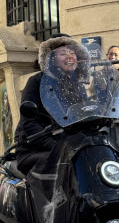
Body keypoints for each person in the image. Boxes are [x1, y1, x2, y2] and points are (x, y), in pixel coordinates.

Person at [15, 34, 90, 175]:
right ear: (51, 59)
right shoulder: (36, 82)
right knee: (63, 165)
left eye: (72, 52)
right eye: (63, 53)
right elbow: (29, 123)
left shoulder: (78, 86)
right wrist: (55, 145)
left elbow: (83, 116)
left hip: (70, 148)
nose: (69, 56)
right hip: (36, 149)